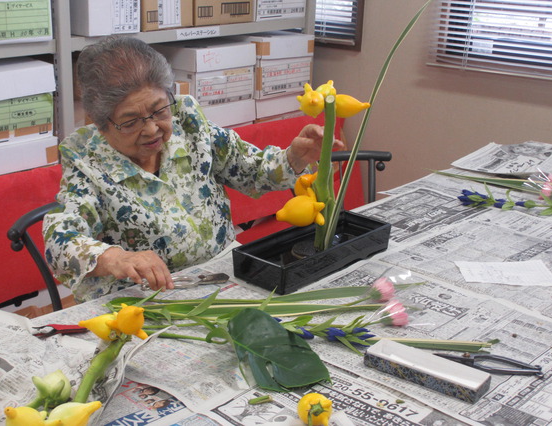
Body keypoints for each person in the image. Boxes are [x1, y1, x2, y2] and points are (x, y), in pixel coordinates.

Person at [43, 36, 342, 303]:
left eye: (159, 110)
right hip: (145, 298)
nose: (151, 129)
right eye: (131, 121)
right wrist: (115, 257)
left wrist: (294, 156)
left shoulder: (189, 124)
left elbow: (251, 169)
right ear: (102, 124)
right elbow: (61, 239)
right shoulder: (88, 162)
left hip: (222, 274)